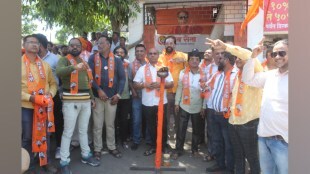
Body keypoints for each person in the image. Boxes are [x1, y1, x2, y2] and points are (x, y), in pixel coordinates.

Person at [243, 39, 289, 174]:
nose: (277, 57)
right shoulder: (270, 75)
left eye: (282, 53)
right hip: (263, 138)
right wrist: (253, 56)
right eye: (274, 54)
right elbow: (247, 79)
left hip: (284, 142)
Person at [56, 38, 100, 174]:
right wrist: (74, 67)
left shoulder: (83, 61)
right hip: (71, 101)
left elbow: (87, 82)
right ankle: (64, 161)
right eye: (72, 45)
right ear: (68, 47)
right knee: (68, 132)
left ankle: (86, 155)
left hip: (86, 101)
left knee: (83, 130)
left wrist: (92, 97)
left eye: (77, 45)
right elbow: (59, 72)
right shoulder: (64, 59)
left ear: (81, 47)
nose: (75, 47)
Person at [21, 34, 57, 174]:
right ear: (24, 45)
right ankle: (27, 165)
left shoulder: (45, 65)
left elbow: (52, 84)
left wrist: (51, 95)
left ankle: (46, 162)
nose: (35, 45)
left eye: (37, 43)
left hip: (44, 107)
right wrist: (31, 98)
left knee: (45, 135)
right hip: (27, 106)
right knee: (27, 137)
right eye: (31, 42)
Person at [88, 35, 126, 160]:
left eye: (102, 43)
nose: (99, 45)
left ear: (109, 44)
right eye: (98, 43)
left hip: (112, 98)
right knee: (97, 125)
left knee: (110, 124)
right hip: (98, 98)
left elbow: (122, 78)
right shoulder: (93, 58)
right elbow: (90, 77)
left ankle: (111, 146)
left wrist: (118, 94)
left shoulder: (117, 60)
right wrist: (98, 90)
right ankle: (97, 148)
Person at [133, 48, 174, 156]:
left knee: (163, 125)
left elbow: (171, 84)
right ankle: (153, 146)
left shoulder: (164, 68)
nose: (152, 55)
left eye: (155, 53)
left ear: (158, 55)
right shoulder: (142, 69)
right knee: (150, 125)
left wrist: (161, 85)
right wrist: (145, 85)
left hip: (161, 102)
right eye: (150, 54)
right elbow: (135, 84)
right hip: (147, 102)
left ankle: (163, 145)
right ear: (147, 55)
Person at [204, 50, 237, 173]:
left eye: (221, 58)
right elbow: (207, 86)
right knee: (217, 141)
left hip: (227, 116)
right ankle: (220, 164)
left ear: (227, 60)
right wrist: (204, 86)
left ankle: (230, 168)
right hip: (214, 113)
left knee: (228, 144)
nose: (218, 60)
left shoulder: (236, 75)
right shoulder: (217, 74)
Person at [34, 33, 64, 161]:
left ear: (42, 45)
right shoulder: (30, 59)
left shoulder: (55, 59)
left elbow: (62, 78)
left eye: (36, 43)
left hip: (53, 95)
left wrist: (59, 92)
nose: (33, 46)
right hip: (35, 98)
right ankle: (38, 149)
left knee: (57, 121)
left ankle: (58, 146)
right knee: (38, 123)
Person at [172, 49, 206, 159]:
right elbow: (180, 88)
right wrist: (177, 103)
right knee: (181, 128)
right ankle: (178, 150)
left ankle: (195, 149)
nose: (194, 61)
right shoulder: (183, 72)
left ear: (200, 61)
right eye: (192, 59)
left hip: (197, 106)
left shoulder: (204, 74)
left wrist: (204, 106)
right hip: (184, 105)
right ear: (189, 61)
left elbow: (206, 91)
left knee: (197, 130)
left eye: (197, 59)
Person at [158, 36, 187, 136]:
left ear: (175, 44)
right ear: (164, 45)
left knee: (178, 118)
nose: (169, 45)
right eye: (167, 43)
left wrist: (183, 60)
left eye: (171, 43)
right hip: (164, 93)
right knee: (164, 118)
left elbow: (192, 59)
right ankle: (164, 140)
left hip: (178, 93)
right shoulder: (160, 57)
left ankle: (178, 142)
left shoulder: (181, 55)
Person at [128, 44, 150, 150]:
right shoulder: (131, 65)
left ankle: (148, 139)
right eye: (137, 51)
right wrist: (133, 91)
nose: (139, 53)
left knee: (148, 119)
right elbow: (129, 80)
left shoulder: (149, 64)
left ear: (145, 52)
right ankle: (136, 140)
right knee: (136, 119)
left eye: (141, 51)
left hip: (149, 96)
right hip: (136, 97)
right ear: (135, 52)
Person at [113, 46, 131, 148]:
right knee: (113, 120)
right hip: (113, 96)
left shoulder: (128, 65)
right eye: (117, 52)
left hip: (125, 96)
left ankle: (124, 140)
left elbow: (131, 79)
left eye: (122, 52)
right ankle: (114, 140)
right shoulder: (110, 64)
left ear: (125, 54)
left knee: (124, 120)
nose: (119, 54)